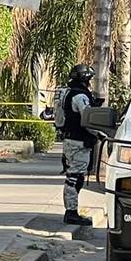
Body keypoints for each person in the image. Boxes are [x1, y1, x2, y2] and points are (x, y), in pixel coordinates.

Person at [55, 64, 98, 226]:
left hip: (71, 141)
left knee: (74, 176)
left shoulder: (68, 93)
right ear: (85, 79)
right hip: (78, 143)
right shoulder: (80, 96)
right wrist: (100, 133)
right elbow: (88, 118)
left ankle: (72, 211)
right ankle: (71, 212)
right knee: (75, 178)